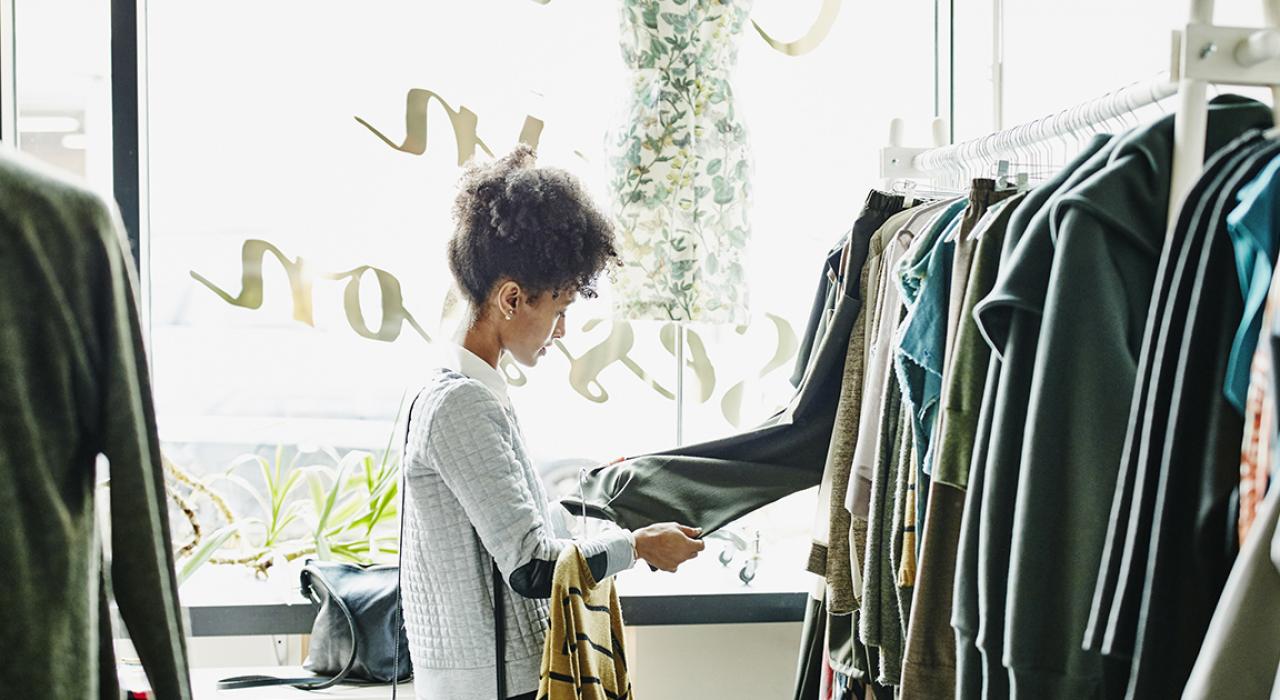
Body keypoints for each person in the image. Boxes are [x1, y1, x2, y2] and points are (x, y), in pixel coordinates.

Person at [400, 144, 706, 700]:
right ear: (512, 299)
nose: (561, 331)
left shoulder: (459, 392)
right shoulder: (462, 405)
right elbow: (531, 568)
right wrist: (637, 547)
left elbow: (511, 535)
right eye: (559, 309)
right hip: (496, 686)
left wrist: (594, 504)